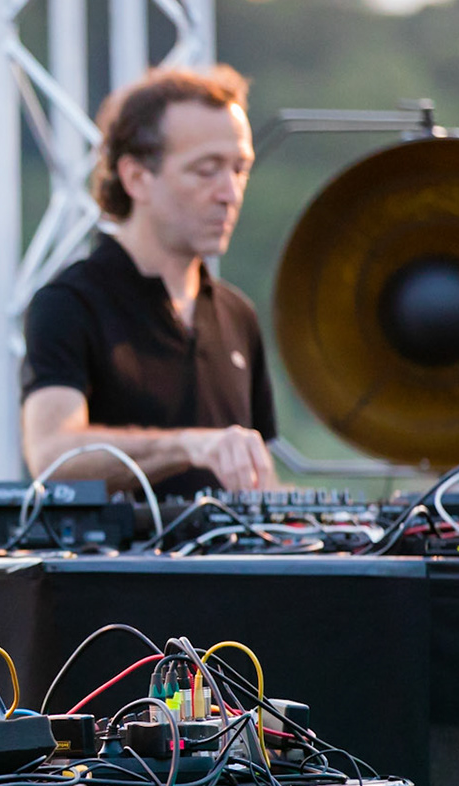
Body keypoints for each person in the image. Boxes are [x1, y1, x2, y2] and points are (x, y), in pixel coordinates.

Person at [20, 65, 278, 498]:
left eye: (239, 169)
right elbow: (51, 456)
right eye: (206, 170)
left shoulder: (238, 314)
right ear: (136, 177)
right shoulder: (70, 302)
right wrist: (189, 445)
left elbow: (261, 481)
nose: (229, 192)